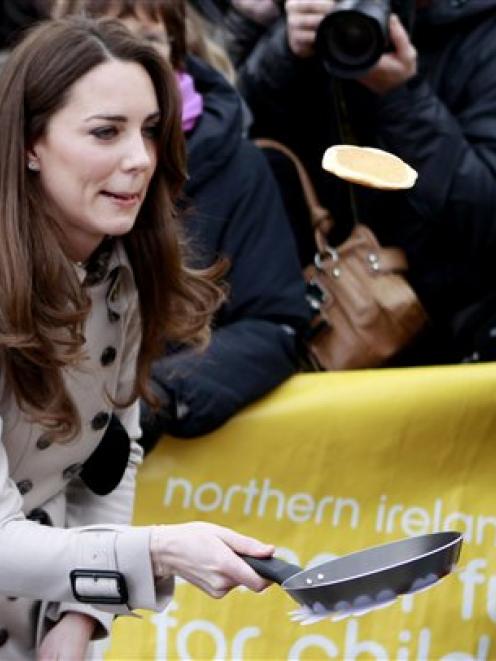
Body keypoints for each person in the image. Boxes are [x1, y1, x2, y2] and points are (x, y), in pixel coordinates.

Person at [0, 16, 274, 660]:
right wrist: (158, 550)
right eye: (106, 132)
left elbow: (106, 461)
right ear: (29, 143)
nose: (140, 158)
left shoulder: (127, 268)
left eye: (151, 130)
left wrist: (81, 618)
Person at [54, 0, 309, 446]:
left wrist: (152, 398)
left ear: (177, 51)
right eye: (110, 41)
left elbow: (275, 324)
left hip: (167, 465)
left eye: (149, 42)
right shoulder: (28, 167)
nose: (132, 64)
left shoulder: (237, 166)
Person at [229, 0, 496, 365]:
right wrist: (284, 49)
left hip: (452, 326)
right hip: (324, 308)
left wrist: (402, 95)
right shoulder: (326, 18)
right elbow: (236, 139)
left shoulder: (483, 35)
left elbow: (484, 210)